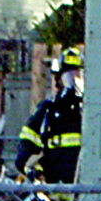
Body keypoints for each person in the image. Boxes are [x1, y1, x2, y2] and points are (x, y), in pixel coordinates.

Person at [16, 49, 85, 188]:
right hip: (54, 196)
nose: (74, 82)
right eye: (68, 77)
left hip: (86, 195)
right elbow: (25, 152)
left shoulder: (91, 114)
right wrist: (36, 173)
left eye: (78, 76)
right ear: (58, 79)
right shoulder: (49, 111)